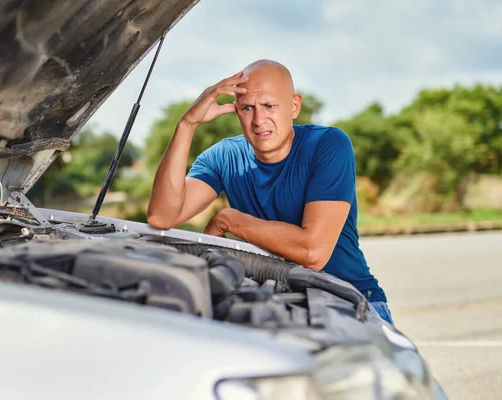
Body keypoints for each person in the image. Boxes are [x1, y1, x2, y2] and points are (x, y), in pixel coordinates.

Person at [146, 59, 393, 324]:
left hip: (352, 301)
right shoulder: (224, 156)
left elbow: (313, 253)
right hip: (276, 303)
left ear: (294, 106)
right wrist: (187, 125)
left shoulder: (327, 145)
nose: (258, 120)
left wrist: (231, 220)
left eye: (269, 106)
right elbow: (162, 217)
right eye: (247, 108)